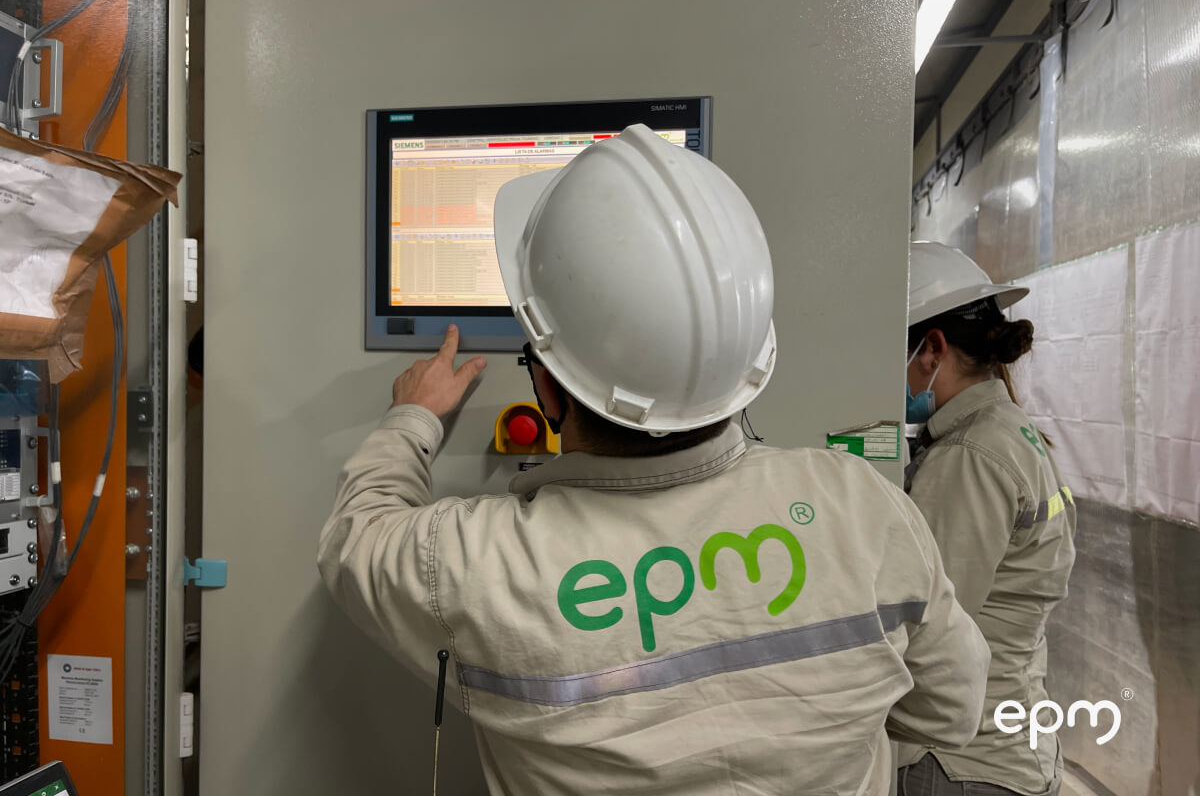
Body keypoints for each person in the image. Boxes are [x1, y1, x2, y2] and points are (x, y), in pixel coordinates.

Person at [319, 125, 990, 795]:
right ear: (748, 366)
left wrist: (412, 416)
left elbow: (356, 538)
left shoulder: (474, 561)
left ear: (547, 385)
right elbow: (950, 710)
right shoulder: (858, 503)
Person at [896, 241, 1078, 796]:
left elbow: (926, 622)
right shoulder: (1010, 429)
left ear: (932, 348)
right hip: (1009, 739)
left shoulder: (970, 457)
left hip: (961, 759)